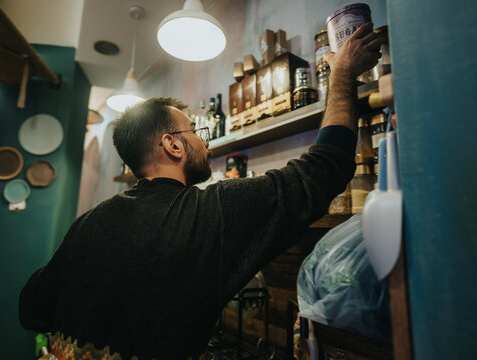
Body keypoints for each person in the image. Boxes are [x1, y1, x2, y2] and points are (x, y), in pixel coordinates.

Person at [19, 23, 382, 360]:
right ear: (172, 146)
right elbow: (324, 169)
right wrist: (343, 75)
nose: (203, 141)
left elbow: (31, 308)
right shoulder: (215, 210)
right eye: (194, 131)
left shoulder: (90, 221)